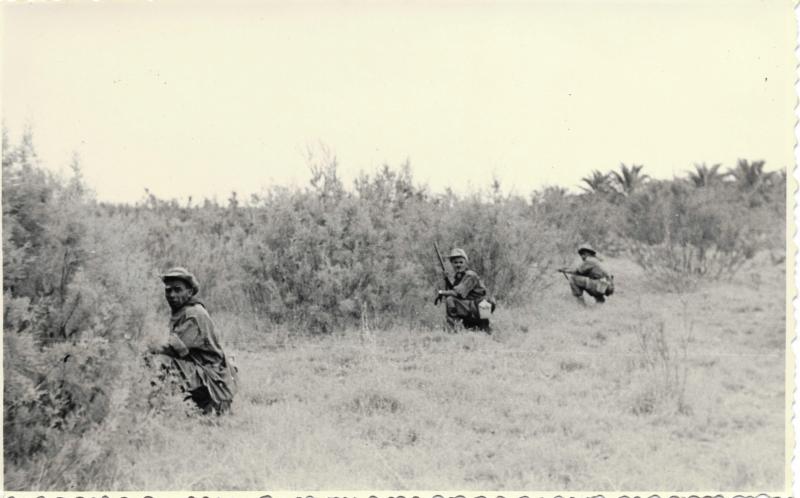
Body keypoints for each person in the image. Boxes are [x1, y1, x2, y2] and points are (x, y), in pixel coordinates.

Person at [149, 267, 238, 414]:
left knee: (160, 360)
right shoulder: (184, 311)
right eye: (168, 290)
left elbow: (171, 348)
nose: (172, 295)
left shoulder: (194, 314)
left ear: (189, 292)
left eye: (178, 290)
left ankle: (158, 409)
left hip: (213, 386)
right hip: (208, 379)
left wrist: (142, 345)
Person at [435, 248, 493, 332]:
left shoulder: (470, 275)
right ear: (452, 264)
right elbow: (455, 290)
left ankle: (453, 328)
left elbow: (457, 293)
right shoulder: (460, 276)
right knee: (452, 299)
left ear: (466, 263)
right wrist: (447, 280)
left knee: (450, 300)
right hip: (473, 306)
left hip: (482, 307)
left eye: (461, 262)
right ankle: (469, 327)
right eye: (455, 262)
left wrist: (441, 292)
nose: (458, 265)